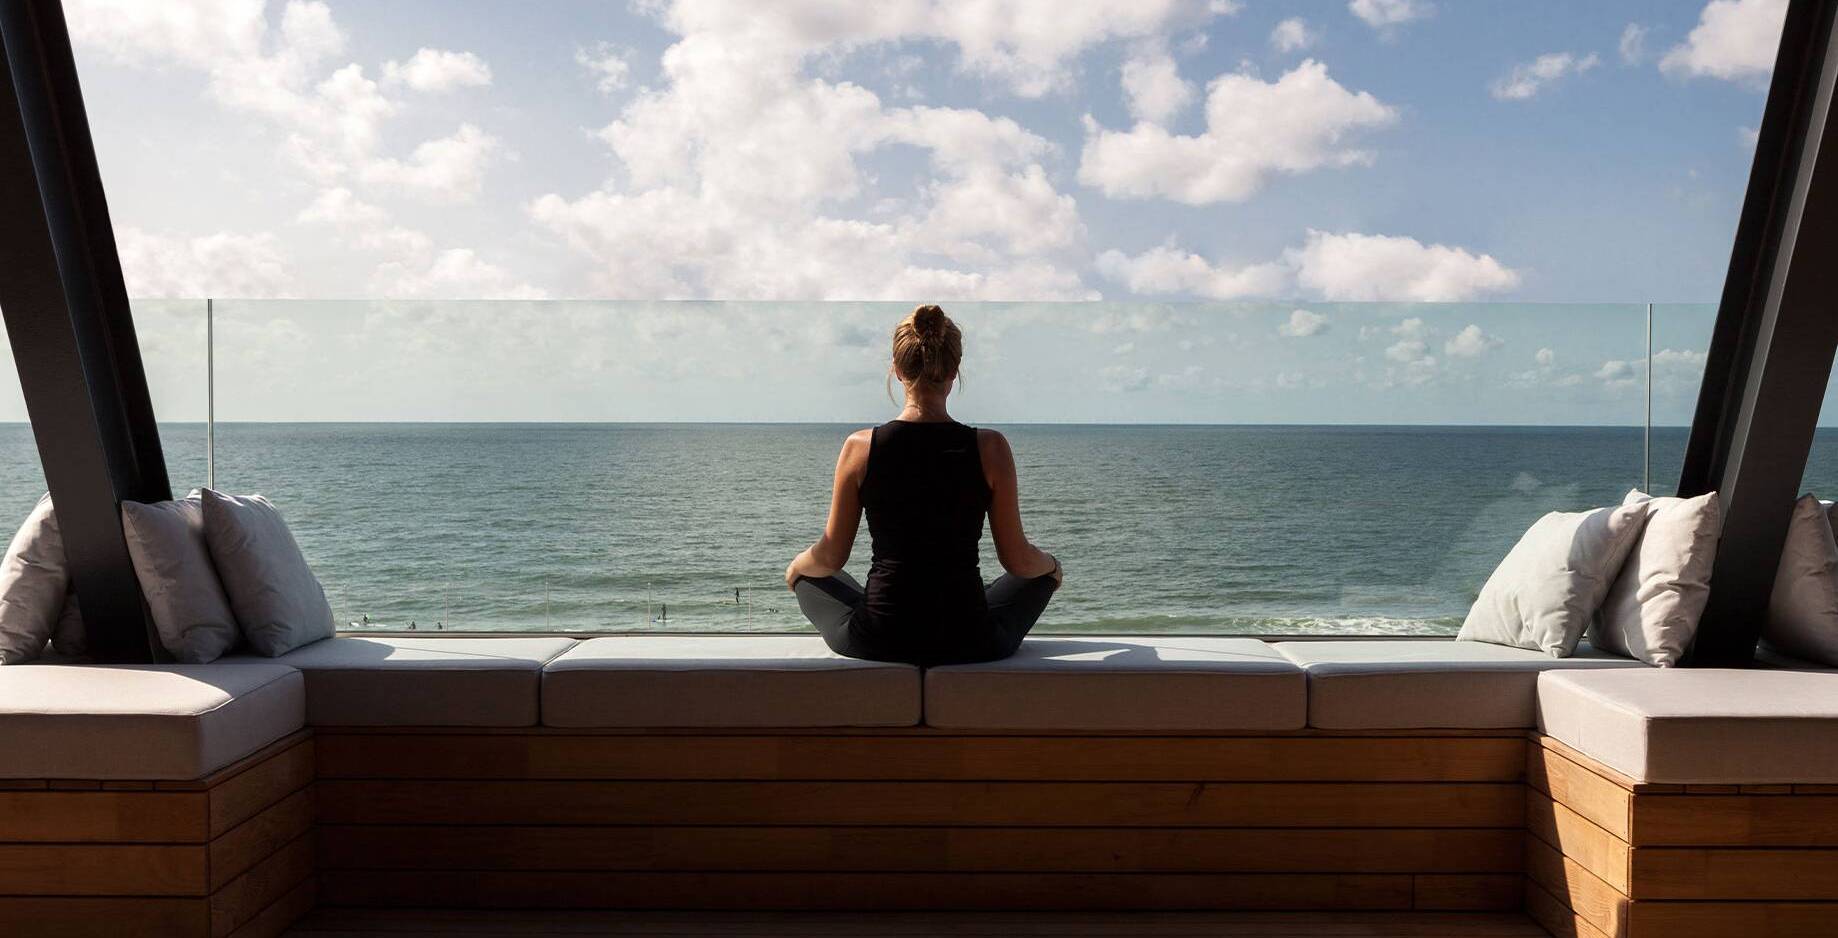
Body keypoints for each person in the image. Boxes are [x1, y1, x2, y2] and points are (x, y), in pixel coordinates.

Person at [784, 304, 1062, 666]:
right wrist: (1053, 567)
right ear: (954, 372)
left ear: (897, 371)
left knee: (811, 577)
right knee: (1040, 576)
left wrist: (796, 567)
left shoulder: (860, 448)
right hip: (969, 639)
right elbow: (1018, 560)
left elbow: (831, 557)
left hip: (880, 637)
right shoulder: (990, 447)